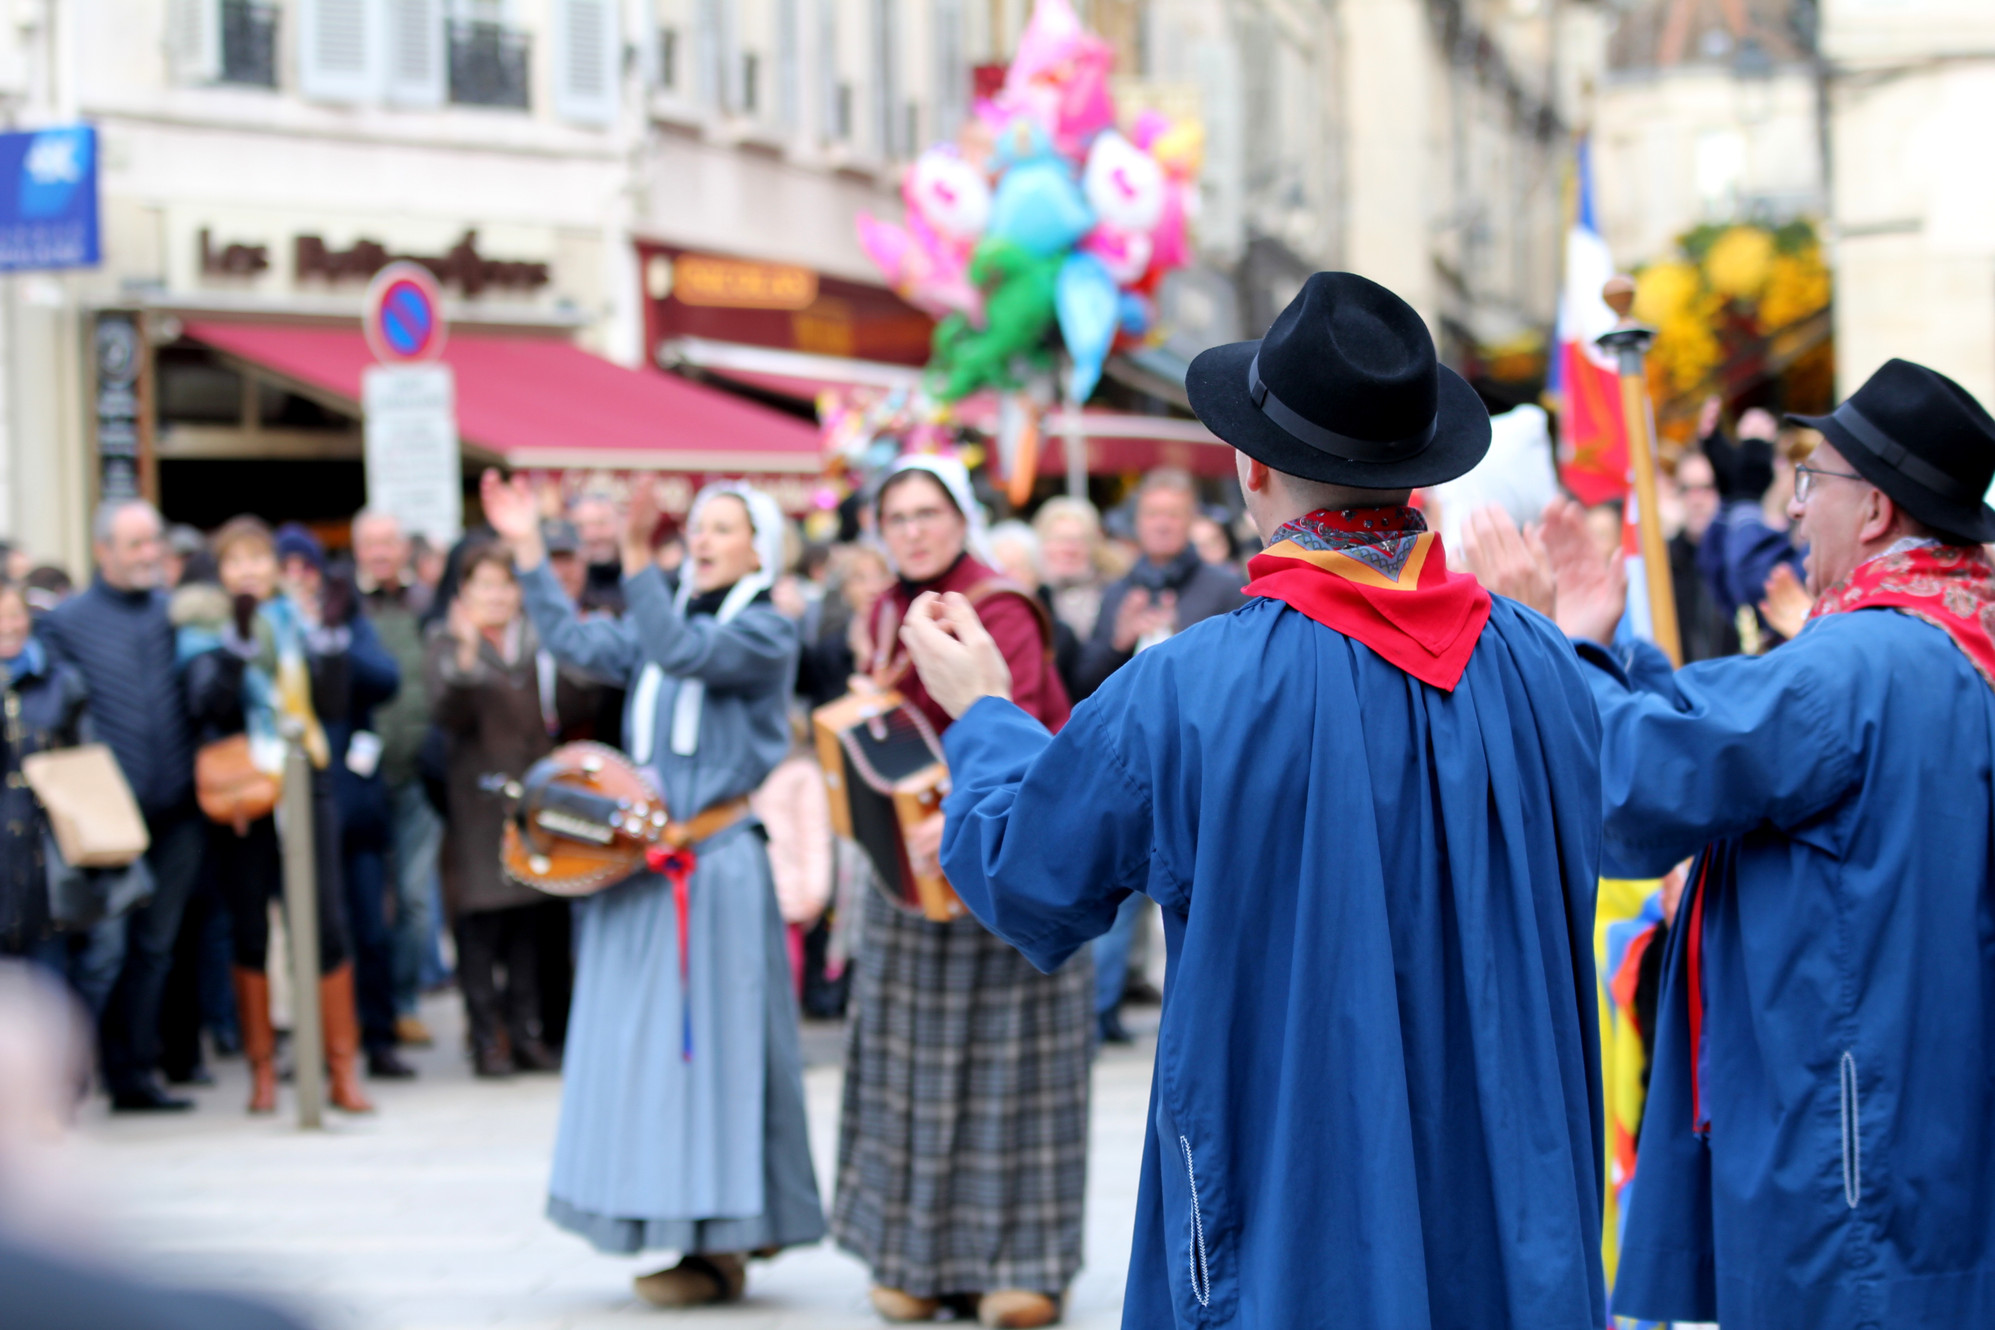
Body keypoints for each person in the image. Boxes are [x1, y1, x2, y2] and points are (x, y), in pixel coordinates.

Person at [896, 272, 1607, 1328]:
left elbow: (1028, 876)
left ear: (1250, 466)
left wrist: (984, 717)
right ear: (1413, 478)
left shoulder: (1188, 687)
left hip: (1294, 1213)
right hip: (1507, 1214)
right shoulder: (1548, 665)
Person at [1481, 357, 1995, 1330]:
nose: (1796, 511)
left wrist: (1550, 643)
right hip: (1926, 1139)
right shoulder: (1959, 638)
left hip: (1850, 1156)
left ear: (1876, 512)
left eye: (1814, 482)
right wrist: (1606, 647)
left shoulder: (1860, 663)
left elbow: (1629, 786)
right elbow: (1718, 750)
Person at [481, 468, 825, 1308]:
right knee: (648, 1059)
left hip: (713, 868)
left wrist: (634, 557)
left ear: (760, 549)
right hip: (644, 870)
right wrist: (529, 545)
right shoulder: (662, 615)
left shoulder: (767, 630)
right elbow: (571, 643)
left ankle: (727, 1242)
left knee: (713, 1055)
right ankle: (676, 1232)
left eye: (723, 528)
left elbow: (682, 652)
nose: (702, 539)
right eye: (697, 526)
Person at [832, 455, 1086, 1330]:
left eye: (927, 512)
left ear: (960, 518)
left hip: (1000, 851)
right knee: (912, 1076)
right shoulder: (878, 611)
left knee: (1012, 1074)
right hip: (904, 878)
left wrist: (959, 808)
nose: (912, 529)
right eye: (895, 515)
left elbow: (1018, 726)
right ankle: (916, 1262)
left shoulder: (999, 605)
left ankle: (1024, 1266)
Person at [181, 517, 384, 1114]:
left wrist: (328, 648)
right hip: (246, 786)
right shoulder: (201, 630)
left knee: (325, 917)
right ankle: (263, 1071)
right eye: (234, 561)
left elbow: (335, 705)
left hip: (307, 774)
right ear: (219, 574)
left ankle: (340, 1069)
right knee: (250, 923)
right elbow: (207, 706)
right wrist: (234, 653)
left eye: (257, 558)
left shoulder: (300, 621)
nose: (248, 570)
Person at [40, 499, 205, 1113]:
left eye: (153, 542)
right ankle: (69, 1082)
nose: (148, 555)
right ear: (103, 550)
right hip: (106, 817)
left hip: (178, 811)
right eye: (135, 544)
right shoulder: (67, 623)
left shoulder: (176, 615)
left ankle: (136, 1074)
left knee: (156, 949)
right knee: (104, 951)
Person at [424, 543, 592, 1077]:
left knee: (528, 922)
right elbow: (446, 712)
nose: (495, 597)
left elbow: (577, 704)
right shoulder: (446, 643)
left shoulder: (540, 643)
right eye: (483, 587)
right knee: (480, 927)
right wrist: (469, 658)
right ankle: (484, 1037)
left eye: (503, 586)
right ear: (463, 595)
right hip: (477, 803)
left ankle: (526, 1033)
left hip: (533, 799)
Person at [275, 525, 408, 1082]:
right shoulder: (265, 627)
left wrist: (332, 641)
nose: (300, 581)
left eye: (308, 569)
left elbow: (386, 680)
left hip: (353, 802)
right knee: (308, 928)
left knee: (368, 926)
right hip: (294, 800)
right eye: (290, 569)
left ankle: (376, 1036)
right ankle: (316, 1043)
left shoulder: (344, 618)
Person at [352, 509, 444, 1052]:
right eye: (371, 544)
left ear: (404, 548)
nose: (381, 552)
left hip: (419, 775)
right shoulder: (345, 603)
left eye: (389, 542)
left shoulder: (427, 603)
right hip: (362, 778)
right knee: (366, 902)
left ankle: (406, 1002)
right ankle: (371, 1008)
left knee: (413, 899)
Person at [1071, 468, 1245, 700]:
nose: (1162, 525)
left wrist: (1182, 643)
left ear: (1191, 520)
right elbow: (1083, 686)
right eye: (1152, 514)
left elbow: (1244, 675)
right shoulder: (1116, 592)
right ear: (1137, 522)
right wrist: (1118, 645)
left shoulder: (1227, 588)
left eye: (1173, 515)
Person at [0, 583, 93, 971]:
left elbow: (86, 764)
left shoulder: (60, 683)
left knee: (52, 982)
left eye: (15, 614)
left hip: (50, 856)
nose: (8, 626)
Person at [1669, 449, 1740, 661]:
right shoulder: (1663, 563)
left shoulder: (1739, 559)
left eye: (1706, 488)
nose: (1697, 500)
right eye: (1687, 489)